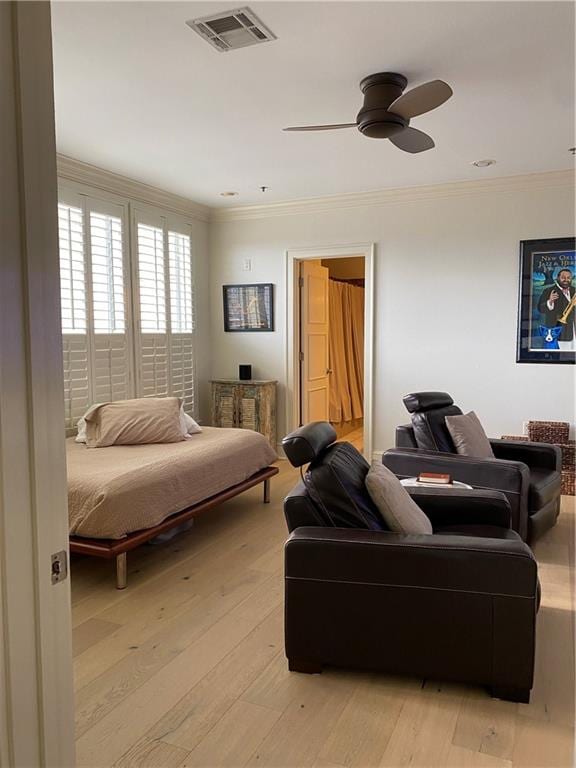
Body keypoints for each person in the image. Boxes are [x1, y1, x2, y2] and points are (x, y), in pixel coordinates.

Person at [537, 267, 575, 351]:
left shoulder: (574, 291)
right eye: (563, 277)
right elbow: (540, 308)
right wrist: (550, 302)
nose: (566, 279)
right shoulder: (548, 291)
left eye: (568, 278)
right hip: (559, 332)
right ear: (558, 278)